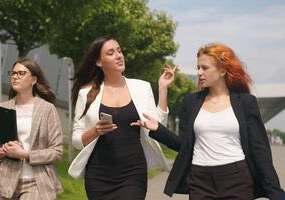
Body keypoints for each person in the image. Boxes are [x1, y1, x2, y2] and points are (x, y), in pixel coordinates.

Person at [131, 43, 285, 199]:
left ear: (222, 70)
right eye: (198, 67)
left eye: (204, 68)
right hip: (200, 180)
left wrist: (275, 192)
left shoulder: (245, 102)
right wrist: (158, 129)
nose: (199, 73)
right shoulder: (191, 102)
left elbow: (259, 150)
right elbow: (183, 145)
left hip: (237, 179)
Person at [67, 36, 175, 200]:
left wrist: (163, 89)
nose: (119, 55)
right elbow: (76, 140)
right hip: (98, 174)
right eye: (111, 53)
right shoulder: (86, 93)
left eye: (119, 51)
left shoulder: (142, 87)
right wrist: (95, 131)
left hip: (133, 172)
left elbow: (157, 126)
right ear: (98, 62)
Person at [0, 57, 63, 200]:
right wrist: (0, 152)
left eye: (21, 73)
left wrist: (24, 154)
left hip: (37, 182)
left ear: (33, 80)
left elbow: (56, 152)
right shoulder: (2, 109)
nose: (15, 77)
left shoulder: (47, 109)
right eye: (13, 73)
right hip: (6, 182)